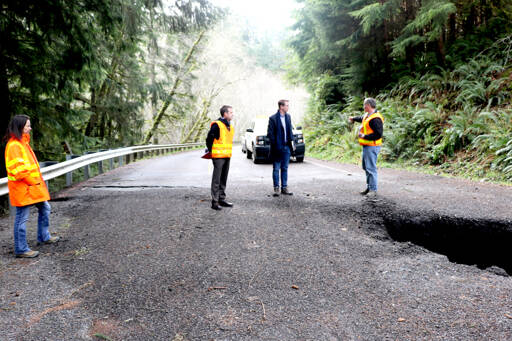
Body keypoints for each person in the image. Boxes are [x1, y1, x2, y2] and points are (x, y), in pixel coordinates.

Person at [4, 115, 60, 258]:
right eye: (27, 125)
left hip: (31, 187)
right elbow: (19, 171)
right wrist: (33, 183)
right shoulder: (15, 145)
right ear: (20, 127)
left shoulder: (23, 143)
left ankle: (44, 236)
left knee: (45, 208)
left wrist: (35, 184)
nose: (30, 128)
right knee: (22, 217)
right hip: (24, 188)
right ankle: (21, 249)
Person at [349, 98, 384, 197]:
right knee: (366, 167)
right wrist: (354, 119)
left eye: (364, 105)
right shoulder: (367, 115)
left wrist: (365, 136)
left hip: (372, 146)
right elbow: (361, 118)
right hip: (366, 146)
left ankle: (373, 190)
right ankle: (369, 187)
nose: (363, 107)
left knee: (371, 168)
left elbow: (378, 134)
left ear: (368, 105)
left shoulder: (376, 119)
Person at [206, 105, 235, 210]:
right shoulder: (217, 125)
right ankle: (215, 202)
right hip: (218, 157)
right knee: (216, 180)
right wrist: (211, 151)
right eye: (231, 112)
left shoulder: (229, 126)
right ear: (225, 114)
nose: (233, 114)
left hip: (227, 156)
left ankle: (221, 199)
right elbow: (209, 139)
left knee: (223, 178)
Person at [267, 99, 294, 197]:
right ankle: (276, 188)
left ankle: (284, 188)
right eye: (286, 105)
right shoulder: (273, 118)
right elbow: (270, 134)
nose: (288, 107)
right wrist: (276, 145)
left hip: (286, 147)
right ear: (281, 107)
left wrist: (292, 144)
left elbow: (290, 131)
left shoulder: (288, 117)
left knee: (285, 168)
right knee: (276, 168)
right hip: (277, 147)